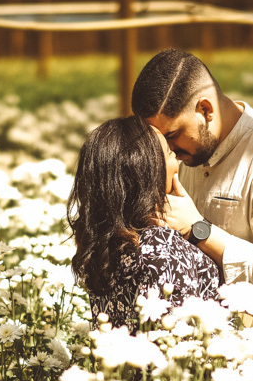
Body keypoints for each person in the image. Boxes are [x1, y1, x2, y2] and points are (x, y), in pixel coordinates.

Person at [131, 48, 253, 346]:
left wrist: (198, 230)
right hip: (210, 356)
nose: (168, 151)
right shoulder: (187, 153)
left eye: (172, 135)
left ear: (205, 110)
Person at [67, 115, 221, 332]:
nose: (177, 161)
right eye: (170, 153)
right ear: (149, 172)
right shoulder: (163, 247)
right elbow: (178, 338)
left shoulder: (105, 241)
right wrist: (196, 225)